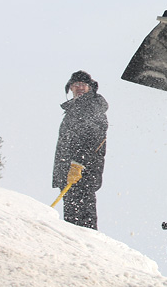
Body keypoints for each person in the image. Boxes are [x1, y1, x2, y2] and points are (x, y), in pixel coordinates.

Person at [52, 70, 108, 230]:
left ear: (90, 87)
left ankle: (87, 243)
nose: (80, 87)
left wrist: (78, 164)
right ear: (70, 88)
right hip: (69, 173)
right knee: (71, 220)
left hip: (83, 174)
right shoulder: (74, 109)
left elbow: (95, 136)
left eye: (84, 84)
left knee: (83, 220)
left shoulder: (92, 106)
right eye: (76, 84)